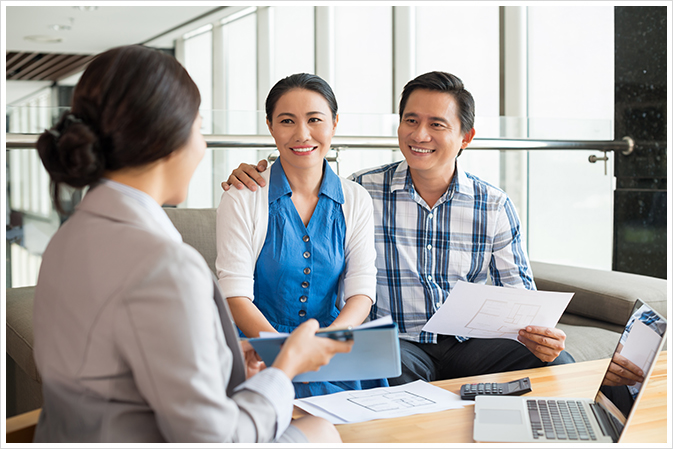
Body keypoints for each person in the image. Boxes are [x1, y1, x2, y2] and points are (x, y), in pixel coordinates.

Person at [32, 45, 351, 444]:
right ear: (166, 138)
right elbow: (216, 438)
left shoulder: (67, 238)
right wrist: (285, 366)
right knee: (323, 431)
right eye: (198, 128)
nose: (201, 147)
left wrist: (225, 352)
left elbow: (122, 356)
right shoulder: (163, 265)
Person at [223, 71, 575, 386]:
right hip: (400, 345)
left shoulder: (493, 205)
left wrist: (541, 336)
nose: (420, 134)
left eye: (437, 124)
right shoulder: (363, 191)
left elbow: (522, 301)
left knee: (557, 363)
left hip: (471, 346)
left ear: (466, 137)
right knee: (382, 367)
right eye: (411, 120)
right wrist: (249, 173)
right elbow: (301, 177)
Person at [216, 73, 386, 398]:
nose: (302, 134)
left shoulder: (356, 198)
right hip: (258, 349)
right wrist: (289, 354)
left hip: (331, 347)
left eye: (314, 120)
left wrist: (327, 344)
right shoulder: (242, 196)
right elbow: (235, 294)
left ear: (334, 123)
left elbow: (361, 290)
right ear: (269, 125)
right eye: (287, 121)